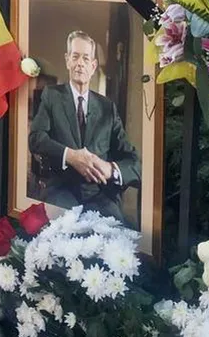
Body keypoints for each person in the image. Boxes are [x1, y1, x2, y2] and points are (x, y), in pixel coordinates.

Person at [28, 30, 140, 220]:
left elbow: (134, 161)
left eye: (86, 58)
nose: (80, 63)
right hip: (61, 191)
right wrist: (70, 156)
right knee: (67, 227)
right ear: (67, 60)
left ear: (93, 65)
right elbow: (36, 139)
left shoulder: (107, 107)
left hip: (101, 196)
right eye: (75, 57)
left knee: (118, 231)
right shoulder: (52, 96)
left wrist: (111, 169)